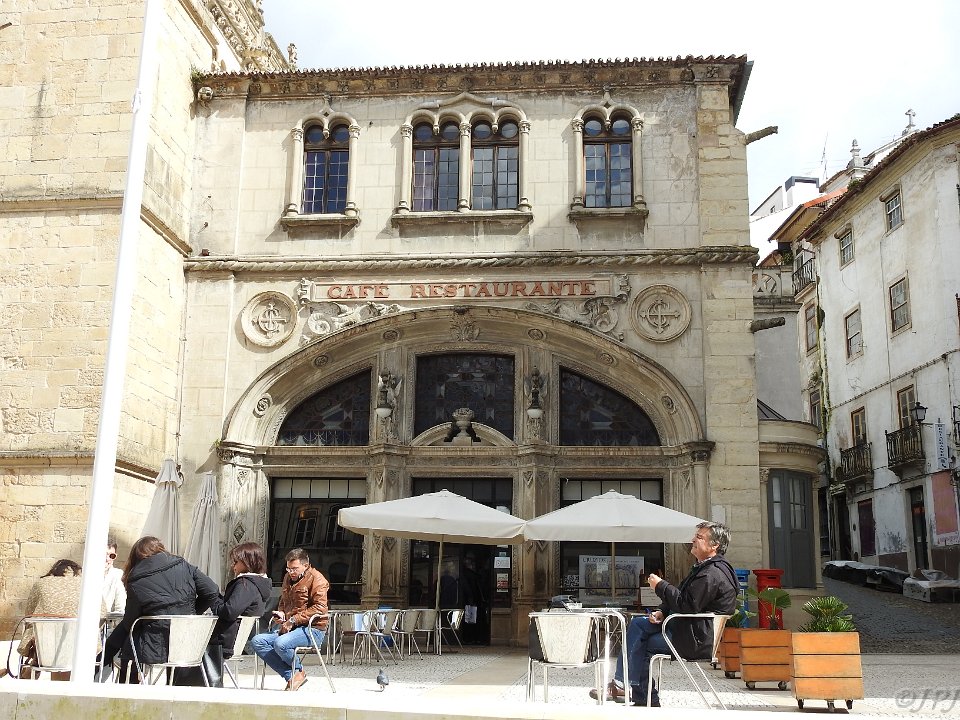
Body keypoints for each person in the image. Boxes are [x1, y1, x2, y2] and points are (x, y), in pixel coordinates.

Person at [591, 521, 738, 706]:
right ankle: (628, 686)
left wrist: (660, 586)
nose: (693, 540)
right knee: (638, 624)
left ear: (714, 545)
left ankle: (636, 692)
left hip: (694, 639)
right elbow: (685, 599)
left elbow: (686, 605)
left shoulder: (712, 573)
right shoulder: (706, 568)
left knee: (643, 642)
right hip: (687, 629)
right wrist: (661, 611)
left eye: (699, 537)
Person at [101, 536, 219, 683]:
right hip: (186, 640)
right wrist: (191, 613)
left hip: (155, 643)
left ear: (136, 556)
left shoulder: (136, 578)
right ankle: (101, 662)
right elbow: (212, 591)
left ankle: (108, 671)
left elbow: (130, 621)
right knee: (127, 634)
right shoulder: (182, 564)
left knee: (126, 639)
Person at [177, 541, 272, 687]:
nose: (233, 566)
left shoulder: (246, 584)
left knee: (183, 640)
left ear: (248, 562)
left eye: (236, 562)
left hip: (224, 640)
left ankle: (182, 685)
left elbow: (229, 612)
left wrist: (213, 597)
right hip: (233, 638)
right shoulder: (257, 584)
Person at [250, 548, 329, 691]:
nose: (291, 572)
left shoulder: (317, 579)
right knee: (258, 641)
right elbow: (283, 600)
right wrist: (282, 614)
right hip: (291, 628)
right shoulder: (288, 577)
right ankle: (293, 674)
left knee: (281, 643)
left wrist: (292, 620)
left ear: (305, 565)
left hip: (313, 630)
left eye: (294, 569)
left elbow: (320, 608)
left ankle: (297, 671)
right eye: (288, 568)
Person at [11, 559, 86, 680]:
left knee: (40, 634)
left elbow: (29, 614)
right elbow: (102, 612)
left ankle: (31, 668)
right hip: (78, 645)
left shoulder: (41, 583)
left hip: (45, 645)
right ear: (77, 571)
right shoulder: (85, 584)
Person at [103, 535, 126, 614]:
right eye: (103, 554)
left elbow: (121, 607)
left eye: (111, 556)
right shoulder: (83, 574)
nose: (107, 559)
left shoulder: (118, 575)